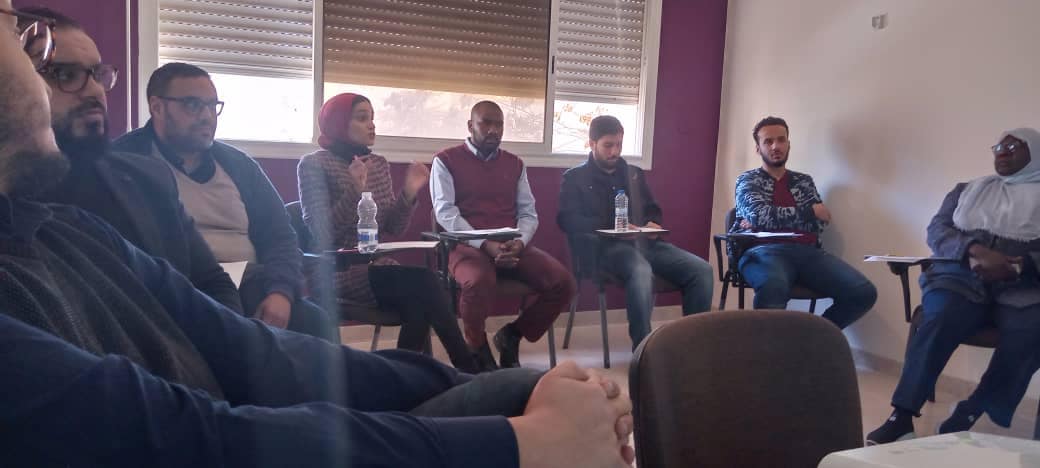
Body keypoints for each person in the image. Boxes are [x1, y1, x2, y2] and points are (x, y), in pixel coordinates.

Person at [0, 5, 635, 466]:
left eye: (96, 74)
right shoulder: (306, 164)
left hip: (255, 312)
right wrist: (517, 443)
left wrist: (481, 394)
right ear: (157, 106)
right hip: (326, 291)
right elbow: (202, 432)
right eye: (31, 46)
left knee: (498, 377)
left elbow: (243, 305)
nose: (90, 91)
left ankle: (478, 370)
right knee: (432, 312)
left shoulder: (73, 232)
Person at [21, 7, 242, 314]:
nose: (95, 91)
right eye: (66, 75)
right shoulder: (14, 203)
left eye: (98, 75)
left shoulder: (148, 177)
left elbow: (213, 283)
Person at [111, 62, 338, 342]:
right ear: (157, 107)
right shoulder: (124, 163)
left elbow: (280, 236)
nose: (207, 116)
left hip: (252, 281)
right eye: (193, 105)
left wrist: (280, 292)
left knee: (314, 321)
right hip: (182, 287)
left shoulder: (238, 165)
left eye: (212, 106)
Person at [866, 128, 1040, 445]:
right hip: (960, 275)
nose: (1002, 152)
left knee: (1032, 328)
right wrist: (976, 251)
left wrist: (1020, 264)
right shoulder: (968, 190)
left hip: (1023, 284)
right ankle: (901, 417)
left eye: (1014, 146)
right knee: (940, 316)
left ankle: (972, 410)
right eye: (999, 146)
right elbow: (937, 229)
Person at [298, 92, 479, 372]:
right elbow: (321, 232)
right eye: (362, 118)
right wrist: (354, 190)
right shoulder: (314, 165)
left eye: (372, 118)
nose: (371, 125)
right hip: (335, 270)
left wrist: (409, 193)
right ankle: (467, 367)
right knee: (427, 282)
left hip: (377, 266)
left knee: (419, 305)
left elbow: (392, 227)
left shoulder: (378, 164)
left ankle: (401, 375)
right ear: (338, 123)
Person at [431, 101, 577, 370]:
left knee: (562, 282)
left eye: (498, 124)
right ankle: (477, 350)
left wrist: (519, 242)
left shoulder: (514, 164)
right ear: (470, 126)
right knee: (477, 281)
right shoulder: (446, 161)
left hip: (510, 244)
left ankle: (512, 335)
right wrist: (484, 244)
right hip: (465, 244)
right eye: (485, 123)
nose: (493, 130)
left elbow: (528, 213)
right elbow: (445, 213)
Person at [557, 115, 714, 348]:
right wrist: (613, 226)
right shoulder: (574, 178)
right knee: (641, 271)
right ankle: (644, 349)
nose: (615, 151)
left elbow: (652, 209)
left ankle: (693, 347)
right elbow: (568, 220)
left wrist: (652, 224)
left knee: (702, 270)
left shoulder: (634, 174)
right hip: (605, 249)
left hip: (647, 244)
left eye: (619, 144)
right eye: (608, 145)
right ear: (592, 144)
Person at [731, 116, 877, 329]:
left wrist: (771, 218)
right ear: (758, 148)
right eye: (768, 141)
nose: (775, 146)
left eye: (781, 140)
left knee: (863, 292)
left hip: (807, 252)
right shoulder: (747, 180)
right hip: (762, 252)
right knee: (773, 286)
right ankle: (766, 349)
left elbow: (819, 224)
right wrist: (809, 212)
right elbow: (760, 215)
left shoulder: (803, 181)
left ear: (788, 144)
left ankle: (812, 339)